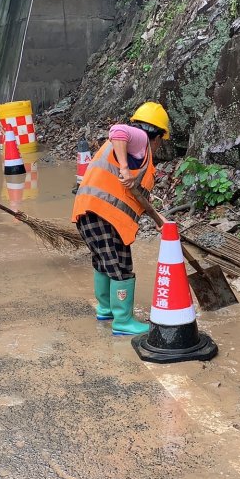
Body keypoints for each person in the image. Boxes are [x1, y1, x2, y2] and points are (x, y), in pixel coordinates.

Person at [71, 102, 170, 336]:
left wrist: (159, 220)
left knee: (105, 263)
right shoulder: (140, 140)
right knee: (121, 267)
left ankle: (106, 309)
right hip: (102, 214)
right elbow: (118, 130)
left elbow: (139, 199)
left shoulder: (141, 158)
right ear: (156, 136)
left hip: (92, 213)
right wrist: (125, 169)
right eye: (161, 140)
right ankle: (123, 321)